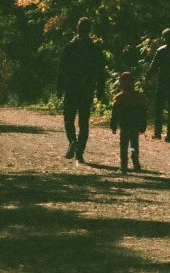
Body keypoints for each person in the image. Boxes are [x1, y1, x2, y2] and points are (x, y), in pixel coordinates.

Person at [56, 17, 104, 163]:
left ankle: (72, 141)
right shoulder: (95, 49)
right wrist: (101, 90)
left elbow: (61, 70)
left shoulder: (69, 47)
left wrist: (59, 88)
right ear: (90, 30)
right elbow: (101, 71)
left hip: (71, 88)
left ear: (77, 28)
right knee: (84, 121)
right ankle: (80, 152)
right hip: (87, 89)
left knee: (69, 118)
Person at [110, 71, 148, 172]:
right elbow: (143, 112)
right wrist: (143, 124)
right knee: (134, 145)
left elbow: (115, 114)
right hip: (134, 125)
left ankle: (124, 166)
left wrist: (113, 125)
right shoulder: (139, 97)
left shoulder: (119, 97)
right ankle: (136, 163)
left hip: (125, 125)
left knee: (124, 146)